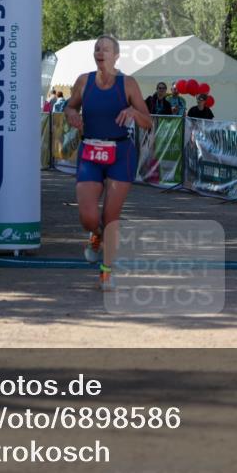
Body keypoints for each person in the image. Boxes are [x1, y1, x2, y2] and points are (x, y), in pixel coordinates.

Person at [63, 35, 152, 291]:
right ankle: (95, 235)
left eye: (105, 49)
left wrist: (134, 112)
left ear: (116, 56)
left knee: (111, 215)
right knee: (88, 216)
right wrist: (71, 115)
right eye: (96, 48)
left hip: (120, 154)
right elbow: (69, 107)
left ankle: (106, 273)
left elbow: (149, 122)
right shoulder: (84, 81)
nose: (100, 52)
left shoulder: (128, 84)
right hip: (90, 150)